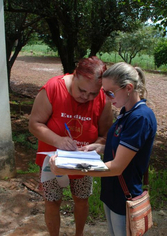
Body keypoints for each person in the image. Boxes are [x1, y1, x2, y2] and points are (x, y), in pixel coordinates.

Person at [49, 62, 157, 236]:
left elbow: (117, 167)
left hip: (125, 196)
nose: (106, 98)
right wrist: (98, 147)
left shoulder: (140, 118)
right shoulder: (126, 113)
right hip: (113, 194)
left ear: (129, 88)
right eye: (104, 92)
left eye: (110, 92)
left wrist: (67, 167)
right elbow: (123, 148)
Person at [28, 56, 113, 236]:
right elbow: (35, 124)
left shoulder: (103, 99)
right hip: (52, 160)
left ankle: (79, 234)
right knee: (52, 201)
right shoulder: (53, 88)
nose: (86, 97)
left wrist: (97, 145)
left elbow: (106, 135)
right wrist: (58, 140)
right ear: (74, 75)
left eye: (93, 94)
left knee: (81, 200)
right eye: (82, 90)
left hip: (83, 161)